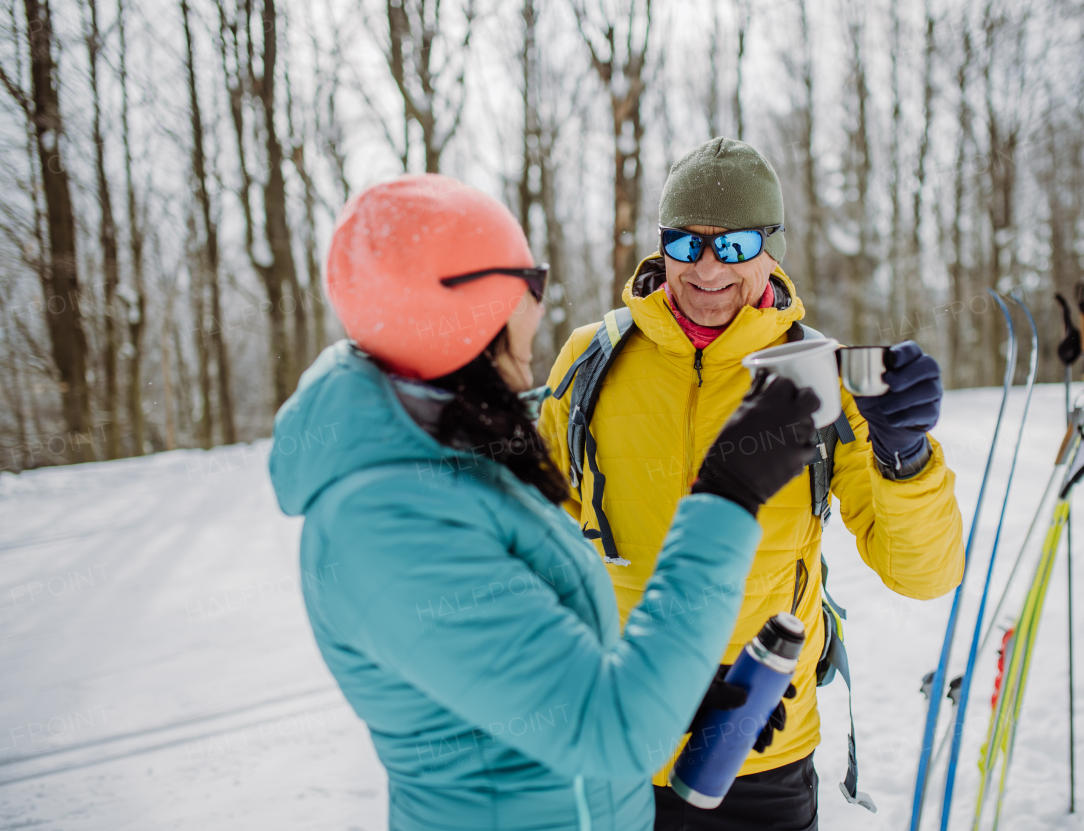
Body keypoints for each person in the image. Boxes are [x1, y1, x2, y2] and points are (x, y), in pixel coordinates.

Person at [267, 174, 823, 831]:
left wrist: (671, 690)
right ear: (471, 309)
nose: (541, 300)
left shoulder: (453, 459)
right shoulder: (386, 521)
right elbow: (611, 732)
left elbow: (546, 672)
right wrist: (729, 493)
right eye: (529, 279)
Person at [538, 138, 965, 831]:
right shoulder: (592, 359)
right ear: (661, 246)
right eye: (684, 242)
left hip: (760, 752)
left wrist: (906, 454)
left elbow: (926, 574)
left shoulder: (815, 374)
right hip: (614, 743)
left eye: (733, 245)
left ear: (772, 249)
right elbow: (529, 551)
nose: (706, 267)